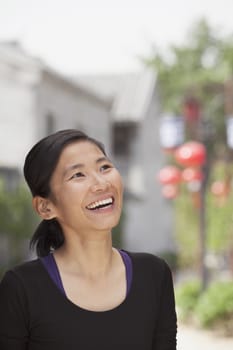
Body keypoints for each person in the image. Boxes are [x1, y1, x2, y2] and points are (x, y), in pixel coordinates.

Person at [0, 129, 177, 350]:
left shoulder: (153, 274)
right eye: (78, 175)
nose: (102, 184)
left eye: (104, 167)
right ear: (45, 207)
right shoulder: (21, 288)